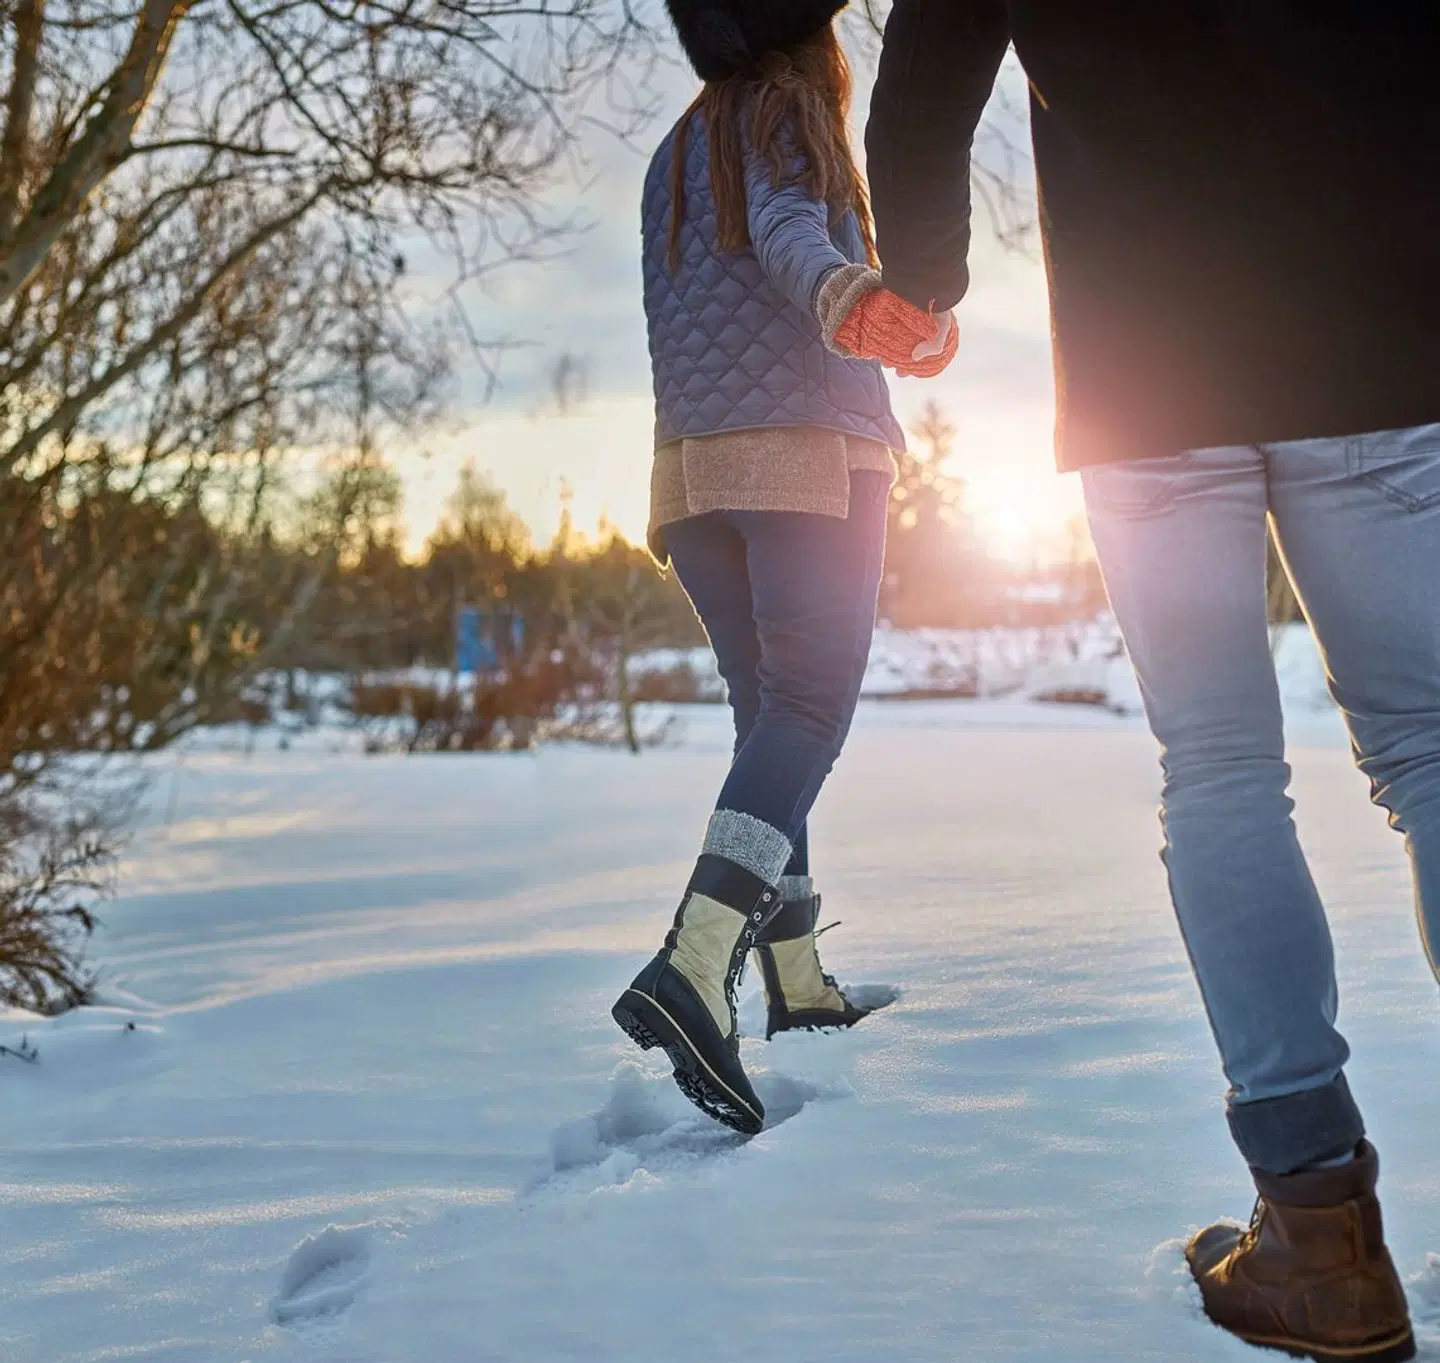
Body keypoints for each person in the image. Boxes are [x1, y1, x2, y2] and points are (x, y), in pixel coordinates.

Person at [860, 5, 1440, 1362]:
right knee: (1431, 744)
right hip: (1382, 319)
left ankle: (1322, 1240)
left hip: (1152, 356)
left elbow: (930, 64)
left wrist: (926, 278)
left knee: (1224, 763)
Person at [612, 0, 956, 1137]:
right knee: (811, 709)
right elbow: (789, 231)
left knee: (769, 717)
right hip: (806, 455)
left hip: (690, 478)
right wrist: (861, 306)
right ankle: (696, 961)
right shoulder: (786, 114)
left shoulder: (677, 146)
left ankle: (795, 977)